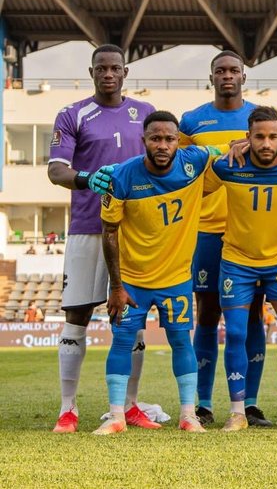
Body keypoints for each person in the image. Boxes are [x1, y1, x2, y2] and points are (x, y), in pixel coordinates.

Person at [47, 43, 156, 433]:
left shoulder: (145, 112)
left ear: (125, 72)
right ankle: (68, 409)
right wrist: (86, 178)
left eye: (115, 68)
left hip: (134, 232)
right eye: (101, 68)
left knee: (131, 320)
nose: (108, 74)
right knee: (76, 315)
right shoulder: (72, 114)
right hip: (87, 228)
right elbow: (56, 171)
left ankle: (129, 406)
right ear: (91, 72)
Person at [94, 110, 218, 434]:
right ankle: (117, 416)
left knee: (181, 341)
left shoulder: (194, 162)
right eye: (156, 138)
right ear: (144, 140)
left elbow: (224, 150)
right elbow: (109, 231)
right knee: (122, 341)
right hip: (132, 281)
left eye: (169, 139)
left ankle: (188, 415)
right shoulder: (122, 176)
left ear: (178, 141)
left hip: (176, 279)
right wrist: (116, 286)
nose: (163, 145)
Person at [204, 106, 277, 433]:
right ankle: (237, 412)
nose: (266, 143)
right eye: (259, 137)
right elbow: (197, 173)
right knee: (236, 333)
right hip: (237, 263)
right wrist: (228, 146)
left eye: (273, 137)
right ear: (247, 138)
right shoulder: (228, 166)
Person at [178, 51, 271, 427]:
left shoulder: (260, 119)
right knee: (207, 313)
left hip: (250, 230)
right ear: (212, 77)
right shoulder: (192, 120)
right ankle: (203, 404)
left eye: (234, 70)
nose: (227, 76)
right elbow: (181, 170)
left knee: (252, 315)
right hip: (206, 230)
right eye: (221, 71)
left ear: (244, 77)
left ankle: (249, 403)